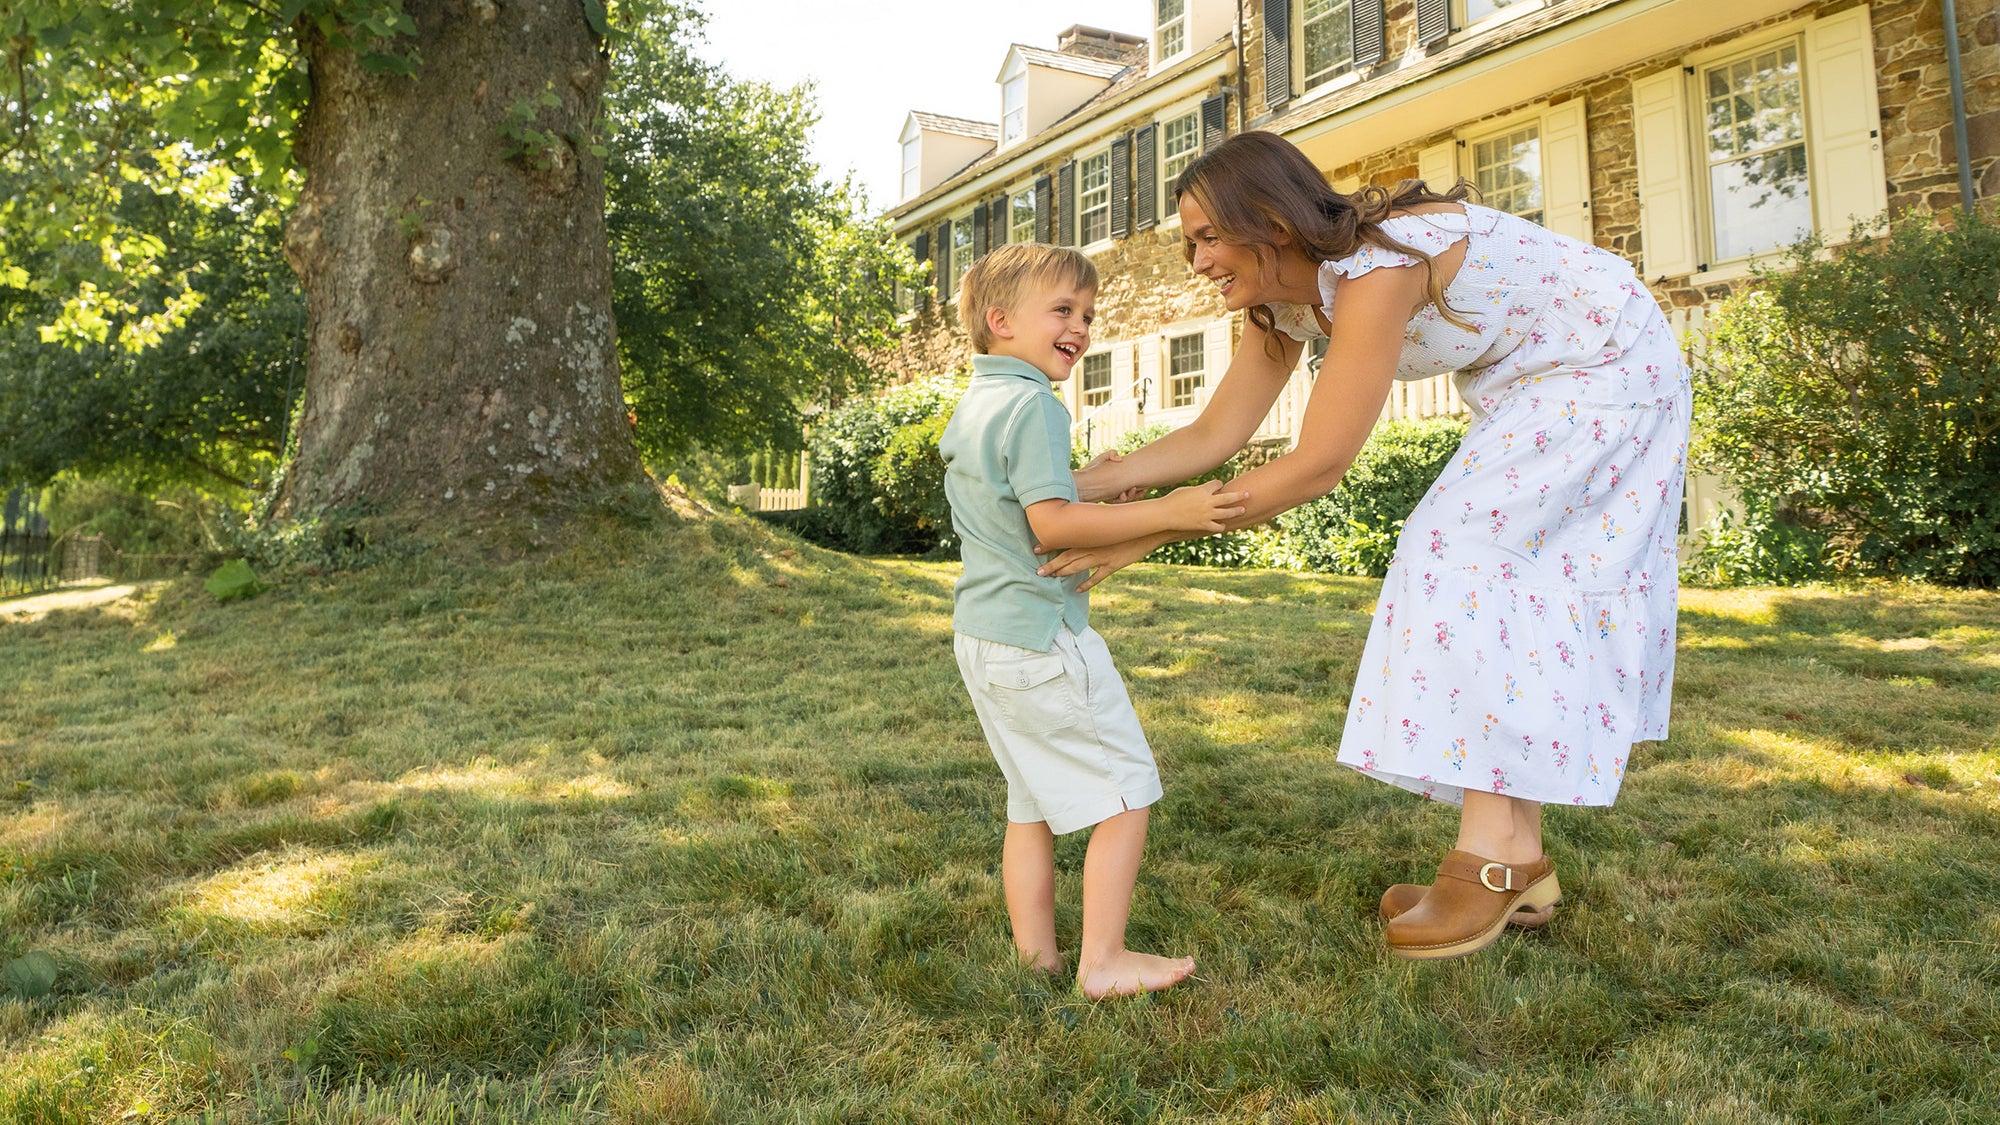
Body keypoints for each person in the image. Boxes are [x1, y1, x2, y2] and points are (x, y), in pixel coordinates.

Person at [1037, 132, 1689, 961]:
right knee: (1495, 579)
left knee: (1455, 553)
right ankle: (1519, 858)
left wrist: (1146, 531)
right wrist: (1072, 489)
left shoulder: (1378, 267)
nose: (1195, 262)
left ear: (1269, 220)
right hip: (1530, 389)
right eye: (1188, 242)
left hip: (1608, 367)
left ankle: (1489, 855)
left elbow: (1317, 464)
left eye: (1207, 237)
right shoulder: (1278, 305)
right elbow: (1214, 433)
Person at [940, 241, 1248, 996]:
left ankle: (1036, 955)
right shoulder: (1035, 405)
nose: (1080, 326)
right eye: (1063, 310)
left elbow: (1028, 501)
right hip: (1044, 641)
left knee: (1031, 802)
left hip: (984, 636)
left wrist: (1092, 497)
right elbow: (1051, 525)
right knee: (1125, 793)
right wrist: (1169, 510)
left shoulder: (979, 402)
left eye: (1087, 313)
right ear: (1000, 320)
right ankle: (1103, 961)